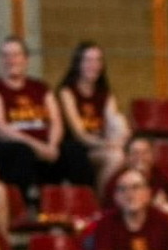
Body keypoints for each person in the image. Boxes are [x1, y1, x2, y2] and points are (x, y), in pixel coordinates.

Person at [0, 37, 85, 191]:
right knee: (21, 153)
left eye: (16, 55)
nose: (11, 60)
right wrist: (37, 146)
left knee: (73, 150)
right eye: (6, 55)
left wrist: (52, 145)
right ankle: (24, 208)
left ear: (26, 59)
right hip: (12, 147)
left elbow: (56, 121)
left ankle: (79, 204)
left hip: (45, 146)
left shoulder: (41, 88)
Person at [54, 42, 128, 190]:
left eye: (98, 60)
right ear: (78, 64)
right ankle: (98, 201)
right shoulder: (67, 92)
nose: (94, 65)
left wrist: (122, 137)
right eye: (88, 60)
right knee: (115, 157)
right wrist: (107, 145)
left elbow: (113, 121)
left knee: (125, 151)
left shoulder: (105, 94)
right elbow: (79, 134)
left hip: (101, 145)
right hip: (78, 151)